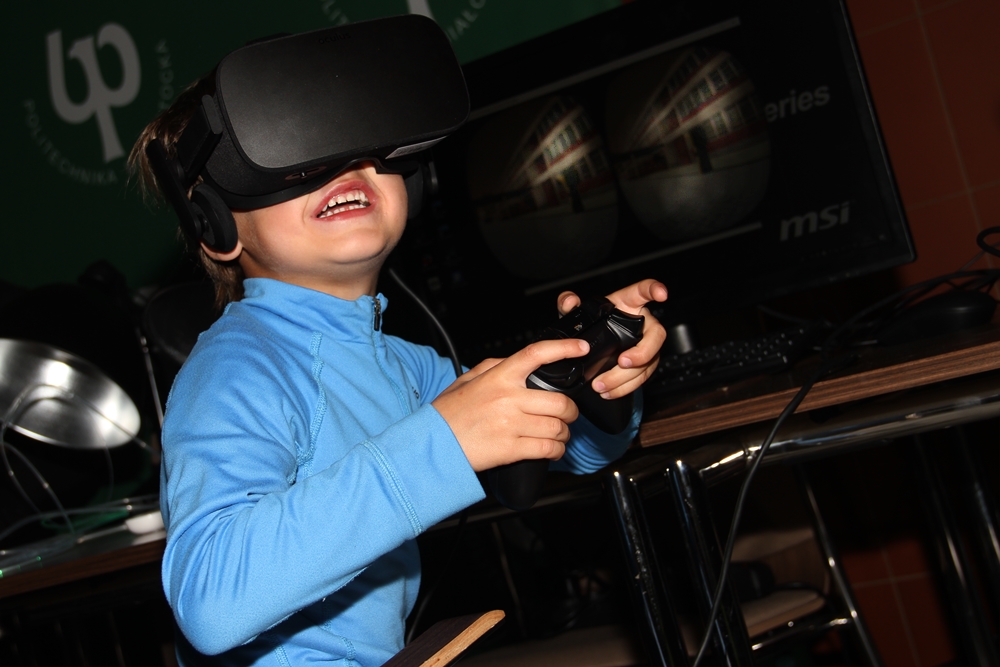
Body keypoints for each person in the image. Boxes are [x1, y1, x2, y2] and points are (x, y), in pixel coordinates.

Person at [130, 20, 667, 667]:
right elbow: (211, 601)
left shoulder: (408, 367)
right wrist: (442, 442)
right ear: (216, 224)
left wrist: (601, 379)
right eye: (295, 154)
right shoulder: (236, 368)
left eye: (367, 146)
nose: (346, 164)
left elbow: (572, 452)